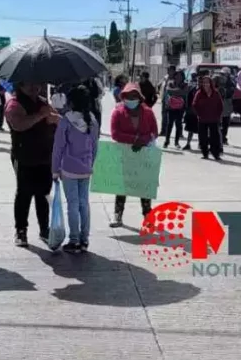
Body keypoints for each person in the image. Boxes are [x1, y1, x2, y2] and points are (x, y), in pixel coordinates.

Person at [6, 80, 58, 247]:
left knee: (43, 194)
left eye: (36, 83)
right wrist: (41, 116)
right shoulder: (14, 104)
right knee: (24, 194)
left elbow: (56, 122)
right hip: (24, 156)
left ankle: (44, 229)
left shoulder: (43, 102)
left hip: (45, 156)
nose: (33, 86)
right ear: (20, 85)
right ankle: (21, 231)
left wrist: (55, 118)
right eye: (28, 83)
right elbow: (19, 125)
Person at [52, 85, 99, 253]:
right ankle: (85, 240)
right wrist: (90, 164)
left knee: (72, 204)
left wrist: (55, 170)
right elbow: (95, 146)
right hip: (86, 168)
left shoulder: (66, 121)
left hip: (69, 169)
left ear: (70, 102)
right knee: (83, 204)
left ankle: (74, 240)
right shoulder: (92, 120)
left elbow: (58, 148)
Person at [109, 83, 158, 227]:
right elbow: (115, 133)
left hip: (144, 153)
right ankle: (117, 215)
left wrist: (144, 140)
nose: (131, 99)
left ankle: (147, 215)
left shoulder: (148, 112)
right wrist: (134, 139)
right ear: (123, 97)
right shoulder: (118, 112)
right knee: (122, 186)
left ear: (139, 97)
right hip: (124, 154)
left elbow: (154, 131)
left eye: (134, 96)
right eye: (128, 96)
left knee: (144, 185)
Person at [192, 74, 224, 160]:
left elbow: (220, 106)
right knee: (203, 137)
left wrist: (218, 115)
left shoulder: (216, 93)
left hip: (214, 119)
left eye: (208, 82)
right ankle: (205, 153)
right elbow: (194, 105)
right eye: (204, 83)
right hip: (202, 119)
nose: (206, 84)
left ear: (211, 83)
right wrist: (199, 114)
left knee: (215, 137)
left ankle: (216, 154)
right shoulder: (199, 93)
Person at [161, 70, 188, 149]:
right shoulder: (170, 83)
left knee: (178, 124)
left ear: (183, 77)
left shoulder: (185, 84)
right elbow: (168, 91)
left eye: (180, 76)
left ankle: (176, 142)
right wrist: (179, 91)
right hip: (171, 107)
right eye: (177, 75)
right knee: (170, 124)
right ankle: (167, 141)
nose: (178, 77)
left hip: (181, 108)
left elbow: (184, 92)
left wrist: (175, 92)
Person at [215, 68, 236, 144]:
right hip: (218, 104)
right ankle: (218, 137)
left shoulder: (231, 82)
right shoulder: (216, 81)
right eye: (222, 74)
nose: (223, 76)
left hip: (227, 104)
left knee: (226, 122)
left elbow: (232, 91)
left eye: (225, 74)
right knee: (218, 122)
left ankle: (224, 137)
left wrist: (225, 90)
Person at [182, 74, 199, 151]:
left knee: (202, 130)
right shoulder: (191, 90)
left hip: (200, 113)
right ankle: (188, 144)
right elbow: (187, 101)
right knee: (190, 130)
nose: (198, 83)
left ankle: (201, 144)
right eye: (197, 81)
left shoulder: (204, 91)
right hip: (192, 112)